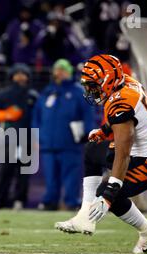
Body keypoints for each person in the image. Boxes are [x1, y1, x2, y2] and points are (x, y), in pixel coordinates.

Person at [55, 55, 147, 254]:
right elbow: (129, 121)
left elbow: (123, 153)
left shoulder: (121, 102)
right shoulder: (126, 84)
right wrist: (104, 131)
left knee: (108, 193)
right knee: (92, 149)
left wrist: (109, 194)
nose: (90, 90)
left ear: (107, 80)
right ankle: (85, 214)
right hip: (137, 151)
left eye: (93, 85)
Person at [32, 59, 95, 211]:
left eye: (63, 69)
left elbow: (88, 114)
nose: (59, 72)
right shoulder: (47, 92)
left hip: (70, 142)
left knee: (71, 175)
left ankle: (71, 202)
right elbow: (36, 116)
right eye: (57, 69)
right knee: (51, 177)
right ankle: (49, 201)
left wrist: (87, 134)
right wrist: (36, 137)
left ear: (69, 72)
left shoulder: (78, 92)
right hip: (48, 143)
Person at [0, 63, 38, 210]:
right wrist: (8, 114)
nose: (21, 76)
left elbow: (39, 117)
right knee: (5, 170)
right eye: (18, 73)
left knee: (24, 171)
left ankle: (19, 200)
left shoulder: (33, 95)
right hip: (9, 136)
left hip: (27, 137)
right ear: (12, 75)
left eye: (24, 73)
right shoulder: (4, 94)